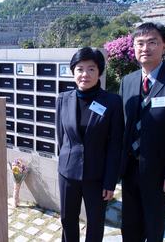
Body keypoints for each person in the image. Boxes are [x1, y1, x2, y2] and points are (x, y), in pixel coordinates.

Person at [118, 22, 165, 242]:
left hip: (160, 172)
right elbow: (124, 126)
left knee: (154, 228)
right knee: (130, 227)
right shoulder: (128, 81)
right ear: (133, 47)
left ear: (164, 46)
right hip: (130, 169)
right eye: (140, 43)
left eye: (152, 43)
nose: (145, 48)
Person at [56, 47, 124, 242]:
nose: (85, 74)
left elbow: (115, 145)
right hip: (68, 173)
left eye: (91, 69)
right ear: (73, 71)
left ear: (100, 72)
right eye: (80, 68)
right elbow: (62, 137)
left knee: (95, 222)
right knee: (67, 219)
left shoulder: (112, 101)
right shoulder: (63, 99)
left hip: (97, 175)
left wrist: (110, 181)